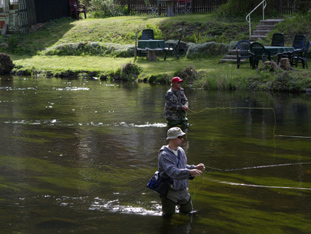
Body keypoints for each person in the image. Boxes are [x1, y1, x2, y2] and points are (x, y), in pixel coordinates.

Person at [158, 127, 205, 216]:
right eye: (179, 137)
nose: (182, 139)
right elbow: (173, 172)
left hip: (183, 190)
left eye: (182, 136)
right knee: (168, 218)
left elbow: (182, 167)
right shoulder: (164, 155)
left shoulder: (181, 151)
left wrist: (195, 167)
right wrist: (189, 172)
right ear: (171, 139)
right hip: (170, 191)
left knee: (189, 213)